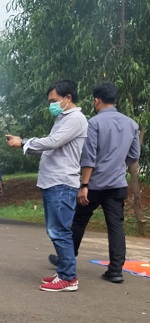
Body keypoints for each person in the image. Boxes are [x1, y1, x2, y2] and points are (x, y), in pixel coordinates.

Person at [49, 81, 140, 284]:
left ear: (96, 100)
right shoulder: (131, 124)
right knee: (116, 226)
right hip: (117, 184)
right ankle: (115, 270)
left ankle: (66, 260)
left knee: (79, 221)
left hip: (95, 185)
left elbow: (88, 157)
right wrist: (117, 165)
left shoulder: (94, 123)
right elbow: (134, 156)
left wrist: (84, 185)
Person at [6, 79, 88, 292]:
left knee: (59, 231)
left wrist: (24, 142)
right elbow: (50, 145)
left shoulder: (76, 119)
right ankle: (63, 273)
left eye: (54, 100)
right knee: (56, 230)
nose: (51, 104)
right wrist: (26, 144)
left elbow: (52, 143)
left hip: (62, 182)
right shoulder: (64, 118)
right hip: (54, 181)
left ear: (68, 98)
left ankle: (69, 278)